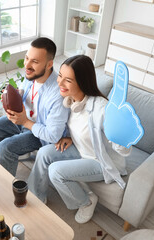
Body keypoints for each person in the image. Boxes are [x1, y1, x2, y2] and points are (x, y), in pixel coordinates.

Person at [28, 55, 131, 224]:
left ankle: (86, 201)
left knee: (56, 171)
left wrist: (124, 138)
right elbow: (82, 128)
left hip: (101, 162)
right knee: (45, 153)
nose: (59, 83)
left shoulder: (102, 109)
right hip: (82, 150)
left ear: (82, 82)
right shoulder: (70, 101)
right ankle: (35, 194)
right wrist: (70, 137)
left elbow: (124, 150)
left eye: (67, 80)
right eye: (60, 75)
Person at [0, 37, 69, 176]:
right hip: (23, 121)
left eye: (35, 61)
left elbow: (53, 135)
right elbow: (24, 94)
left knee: (6, 147)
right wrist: (12, 96)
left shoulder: (57, 94)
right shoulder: (31, 75)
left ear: (49, 64)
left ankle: (6, 185)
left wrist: (25, 122)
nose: (27, 65)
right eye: (27, 58)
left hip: (40, 134)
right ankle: (16, 152)